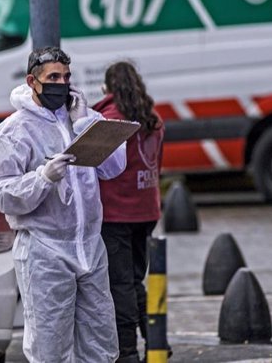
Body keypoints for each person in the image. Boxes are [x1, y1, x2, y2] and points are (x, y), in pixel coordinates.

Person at [0, 46, 127, 362]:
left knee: (102, 345)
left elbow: (113, 167)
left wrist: (83, 126)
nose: (61, 84)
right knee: (50, 349)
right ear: (32, 81)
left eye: (66, 77)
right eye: (53, 77)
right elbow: (3, 194)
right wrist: (42, 177)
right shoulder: (14, 131)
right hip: (44, 250)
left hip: (89, 247)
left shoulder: (84, 117)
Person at [92, 61, 166, 363]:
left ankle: (128, 351)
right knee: (135, 281)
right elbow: (158, 165)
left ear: (107, 88)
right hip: (146, 210)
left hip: (116, 214)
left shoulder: (110, 120)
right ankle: (156, 340)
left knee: (120, 285)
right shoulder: (154, 119)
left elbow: (93, 168)